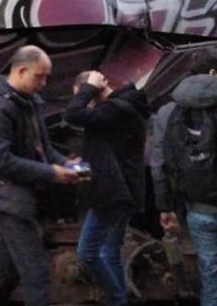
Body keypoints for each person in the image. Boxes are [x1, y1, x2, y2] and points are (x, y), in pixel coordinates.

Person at [0, 45, 82, 306]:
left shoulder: (28, 102)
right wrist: (50, 173)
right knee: (36, 273)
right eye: (39, 76)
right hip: (6, 196)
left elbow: (41, 147)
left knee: (7, 271)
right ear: (21, 71)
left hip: (16, 194)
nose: (43, 83)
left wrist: (64, 163)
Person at [152, 48, 217, 306]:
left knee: (212, 278)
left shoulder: (166, 113)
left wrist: (165, 208)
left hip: (198, 210)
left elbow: (159, 164)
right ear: (213, 72)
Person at [65, 71, 150, 306]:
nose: (86, 102)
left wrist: (88, 88)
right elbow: (104, 151)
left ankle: (117, 298)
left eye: (86, 96)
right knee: (109, 252)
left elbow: (73, 114)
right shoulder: (123, 109)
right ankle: (120, 300)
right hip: (123, 191)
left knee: (87, 253)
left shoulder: (115, 109)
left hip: (112, 194)